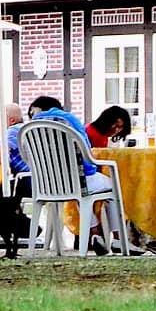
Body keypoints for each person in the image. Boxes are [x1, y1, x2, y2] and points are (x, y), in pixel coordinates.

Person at [27, 96, 120, 255]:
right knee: (110, 186)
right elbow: (86, 153)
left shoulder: (31, 127)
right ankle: (118, 238)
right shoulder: (69, 120)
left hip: (46, 185)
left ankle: (95, 233)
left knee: (82, 192)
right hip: (78, 181)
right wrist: (91, 169)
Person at [0, 103, 29, 196]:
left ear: (12, 121)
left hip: (28, 180)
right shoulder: (22, 129)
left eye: (0, 117)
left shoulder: (13, 131)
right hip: (37, 181)